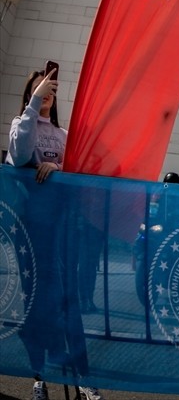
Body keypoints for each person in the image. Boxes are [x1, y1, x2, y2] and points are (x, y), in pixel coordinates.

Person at [8, 66, 105, 400]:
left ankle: (82, 376)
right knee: (36, 304)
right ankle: (40, 377)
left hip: (65, 230)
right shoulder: (21, 124)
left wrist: (59, 168)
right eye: (40, 87)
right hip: (31, 231)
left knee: (69, 302)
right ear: (30, 92)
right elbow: (20, 155)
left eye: (51, 88)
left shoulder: (64, 135)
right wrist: (33, 104)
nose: (47, 92)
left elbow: (82, 172)